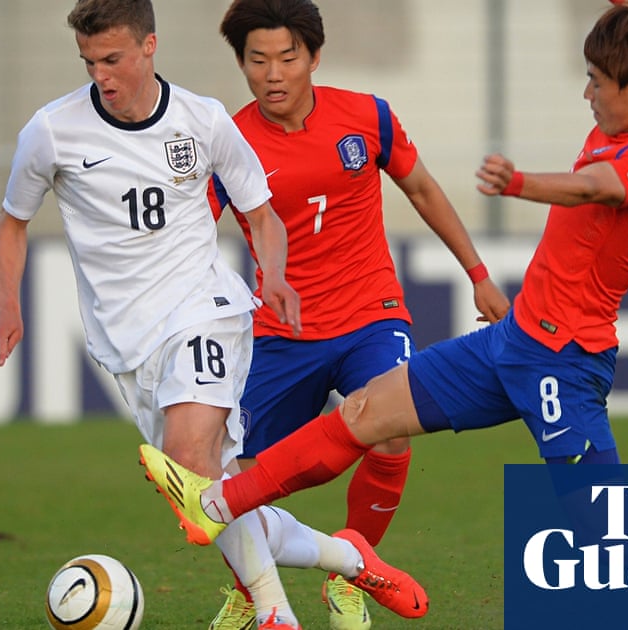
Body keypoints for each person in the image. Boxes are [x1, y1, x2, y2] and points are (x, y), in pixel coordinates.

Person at [140, 0, 628, 568]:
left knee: (606, 523)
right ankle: (221, 503)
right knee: (366, 412)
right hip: (511, 341)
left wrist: (519, 183)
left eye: (596, 82)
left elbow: (596, 188)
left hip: (564, 358)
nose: (588, 94)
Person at [0, 2, 427, 628]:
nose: (101, 76)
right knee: (209, 498)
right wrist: (5, 302)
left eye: (113, 60)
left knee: (194, 463)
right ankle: (350, 559)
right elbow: (13, 223)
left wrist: (271, 275)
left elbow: (262, 215)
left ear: (149, 46)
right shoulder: (52, 131)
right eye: (89, 63)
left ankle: (274, 613)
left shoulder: (204, 120)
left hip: (203, 309)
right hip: (126, 340)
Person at [206, 1, 511, 628]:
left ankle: (353, 573)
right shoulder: (226, 141)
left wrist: (478, 274)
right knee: (235, 475)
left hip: (371, 313)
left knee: (390, 428)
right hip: (279, 331)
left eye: (287, 58)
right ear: (241, 63)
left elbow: (422, 188)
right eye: (257, 60)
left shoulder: (367, 117)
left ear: (314, 57)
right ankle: (252, 583)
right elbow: (191, 238)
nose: (273, 74)